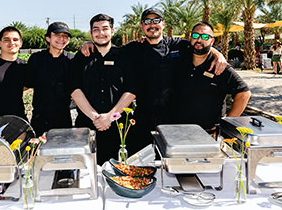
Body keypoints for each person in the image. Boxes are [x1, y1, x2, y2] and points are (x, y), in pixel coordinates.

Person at [82, 8, 227, 155]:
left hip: (174, 119)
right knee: (139, 163)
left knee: (171, 161)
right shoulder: (133, 48)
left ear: (163, 24)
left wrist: (218, 54)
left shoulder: (179, 45)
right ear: (142, 26)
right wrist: (90, 43)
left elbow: (201, 45)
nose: (152, 25)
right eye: (147, 22)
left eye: (156, 21)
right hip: (142, 119)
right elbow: (108, 49)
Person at [71, 14, 136, 165]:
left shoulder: (125, 57)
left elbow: (131, 89)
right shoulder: (81, 58)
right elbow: (75, 89)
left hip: (119, 127)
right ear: (91, 32)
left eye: (105, 29)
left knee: (120, 171)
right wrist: (95, 117)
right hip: (87, 126)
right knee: (87, 172)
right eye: (96, 29)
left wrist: (110, 117)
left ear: (112, 31)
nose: (101, 33)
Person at [173, 22, 251, 132]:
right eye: (195, 35)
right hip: (176, 130)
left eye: (205, 37)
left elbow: (244, 94)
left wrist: (226, 124)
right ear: (191, 37)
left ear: (212, 41)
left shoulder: (220, 66)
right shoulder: (179, 59)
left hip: (208, 133)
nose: (199, 40)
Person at [25, 22, 74, 136]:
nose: (61, 39)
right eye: (57, 35)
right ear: (48, 38)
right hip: (40, 117)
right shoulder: (36, 59)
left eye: (65, 36)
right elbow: (27, 84)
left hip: (65, 118)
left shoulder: (72, 60)